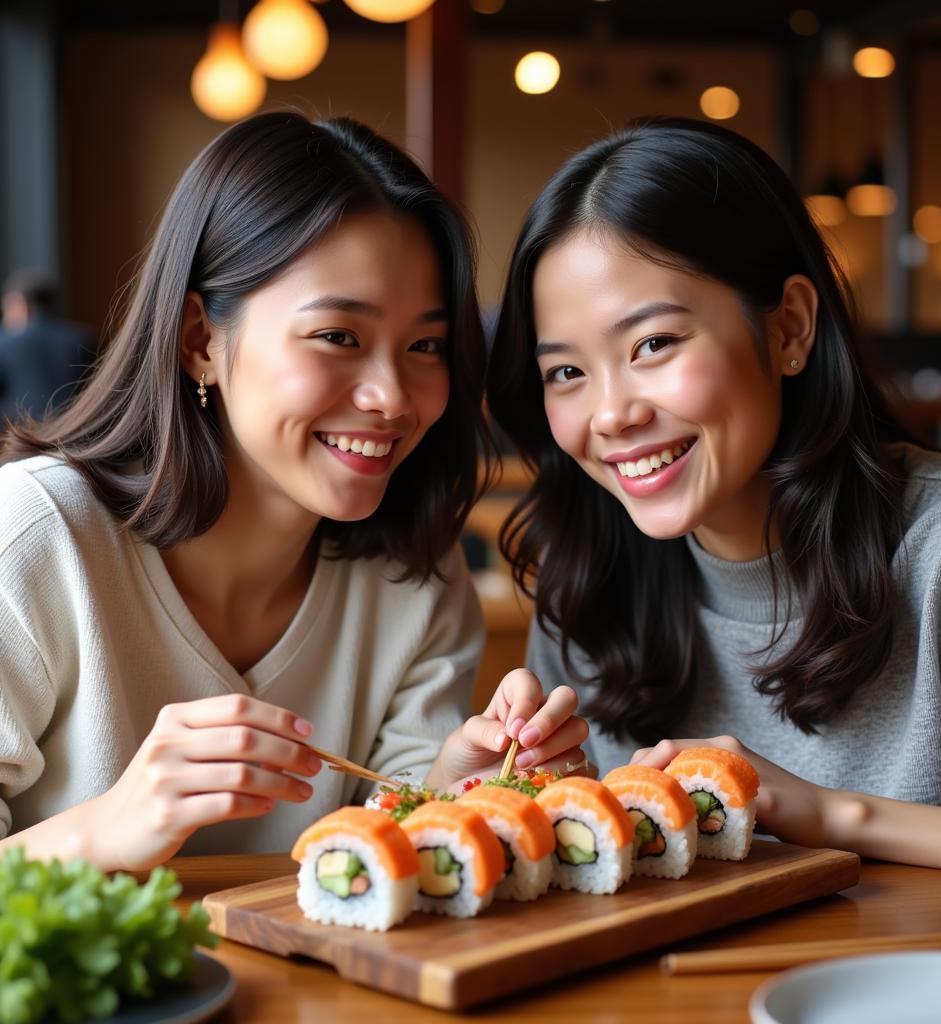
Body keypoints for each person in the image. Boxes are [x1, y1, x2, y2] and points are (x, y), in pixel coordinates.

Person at [0, 112, 587, 872]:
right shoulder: (36, 539)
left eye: (426, 346)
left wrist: (453, 790)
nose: (393, 397)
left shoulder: (416, 570)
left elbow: (395, 844)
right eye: (339, 336)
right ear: (199, 339)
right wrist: (106, 828)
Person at [486, 117, 941, 880]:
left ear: (790, 329)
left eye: (653, 345)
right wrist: (499, 788)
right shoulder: (588, 576)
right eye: (567, 372)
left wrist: (835, 816)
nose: (610, 415)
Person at [0, 268, 96, 423]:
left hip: (22, 439)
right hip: (74, 434)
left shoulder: (4, 343)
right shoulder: (84, 339)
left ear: (21, 304)